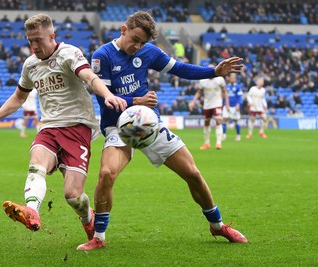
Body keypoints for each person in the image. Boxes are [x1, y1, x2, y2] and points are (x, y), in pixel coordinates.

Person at [77, 11, 247, 251]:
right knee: (106, 174)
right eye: (135, 38)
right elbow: (104, 97)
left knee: (193, 173)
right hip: (118, 126)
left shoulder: (148, 52)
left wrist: (213, 72)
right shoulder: (102, 55)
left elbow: (180, 69)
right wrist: (136, 100)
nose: (137, 46)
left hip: (149, 123)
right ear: (123, 29)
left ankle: (217, 225)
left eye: (142, 42)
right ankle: (99, 237)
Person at [0, 13, 126, 244]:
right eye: (30, 41)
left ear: (52, 36)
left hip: (77, 127)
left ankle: (89, 221)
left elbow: (88, 77)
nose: (34, 46)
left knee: (73, 196)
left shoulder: (69, 53)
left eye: (38, 40)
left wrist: (107, 95)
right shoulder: (30, 64)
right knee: (36, 164)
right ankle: (31, 210)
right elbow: (19, 97)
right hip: (49, 127)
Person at [189, 68, 229, 150]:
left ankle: (218, 143)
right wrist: (193, 102)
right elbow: (199, 92)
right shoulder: (203, 81)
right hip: (207, 104)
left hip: (217, 103)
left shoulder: (220, 79)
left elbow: (225, 91)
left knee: (218, 121)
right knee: (207, 122)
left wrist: (227, 104)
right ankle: (206, 143)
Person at [222, 73, 243, 141]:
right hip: (227, 106)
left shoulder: (238, 87)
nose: (232, 79)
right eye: (231, 78)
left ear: (235, 79)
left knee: (236, 120)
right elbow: (224, 97)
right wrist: (225, 104)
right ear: (229, 79)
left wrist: (238, 104)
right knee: (224, 119)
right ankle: (224, 135)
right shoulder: (226, 86)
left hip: (235, 106)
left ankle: (238, 135)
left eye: (233, 78)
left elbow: (240, 97)